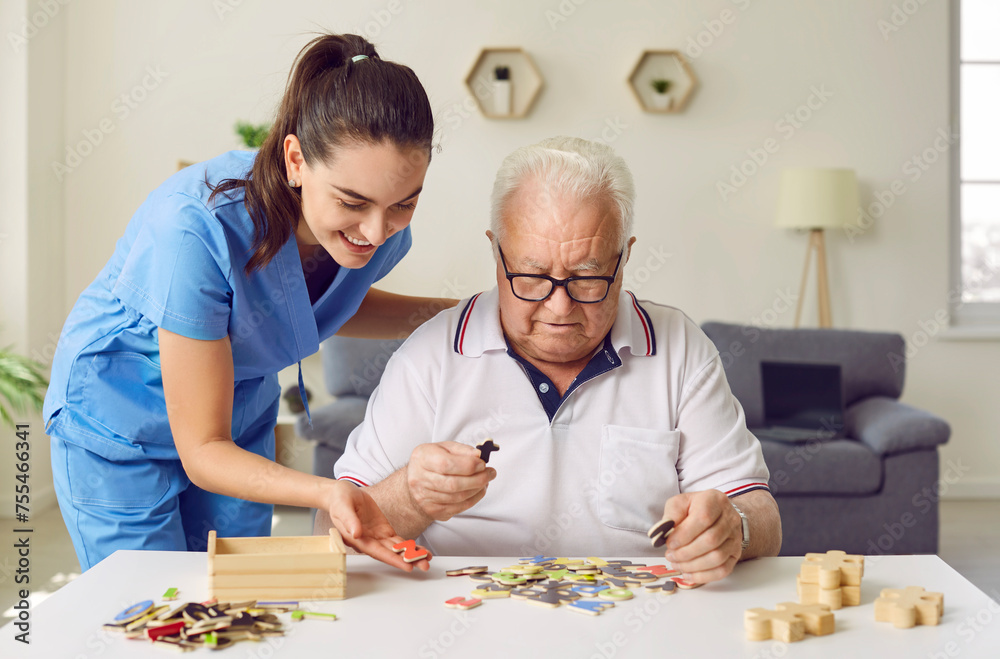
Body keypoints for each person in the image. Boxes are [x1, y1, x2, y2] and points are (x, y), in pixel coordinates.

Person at [43, 34, 450, 572]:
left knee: (240, 589)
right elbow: (204, 448)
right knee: (154, 604)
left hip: (236, 417)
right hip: (120, 421)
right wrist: (329, 494)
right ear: (296, 159)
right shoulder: (196, 228)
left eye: (404, 203)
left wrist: (468, 311)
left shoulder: (376, 230)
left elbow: (325, 305)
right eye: (353, 202)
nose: (376, 231)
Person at [325, 136, 782, 584]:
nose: (559, 308)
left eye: (588, 277)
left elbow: (762, 517)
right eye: (532, 275)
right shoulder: (430, 355)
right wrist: (410, 496)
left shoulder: (680, 348)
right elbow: (330, 537)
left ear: (624, 258)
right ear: (495, 252)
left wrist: (733, 528)